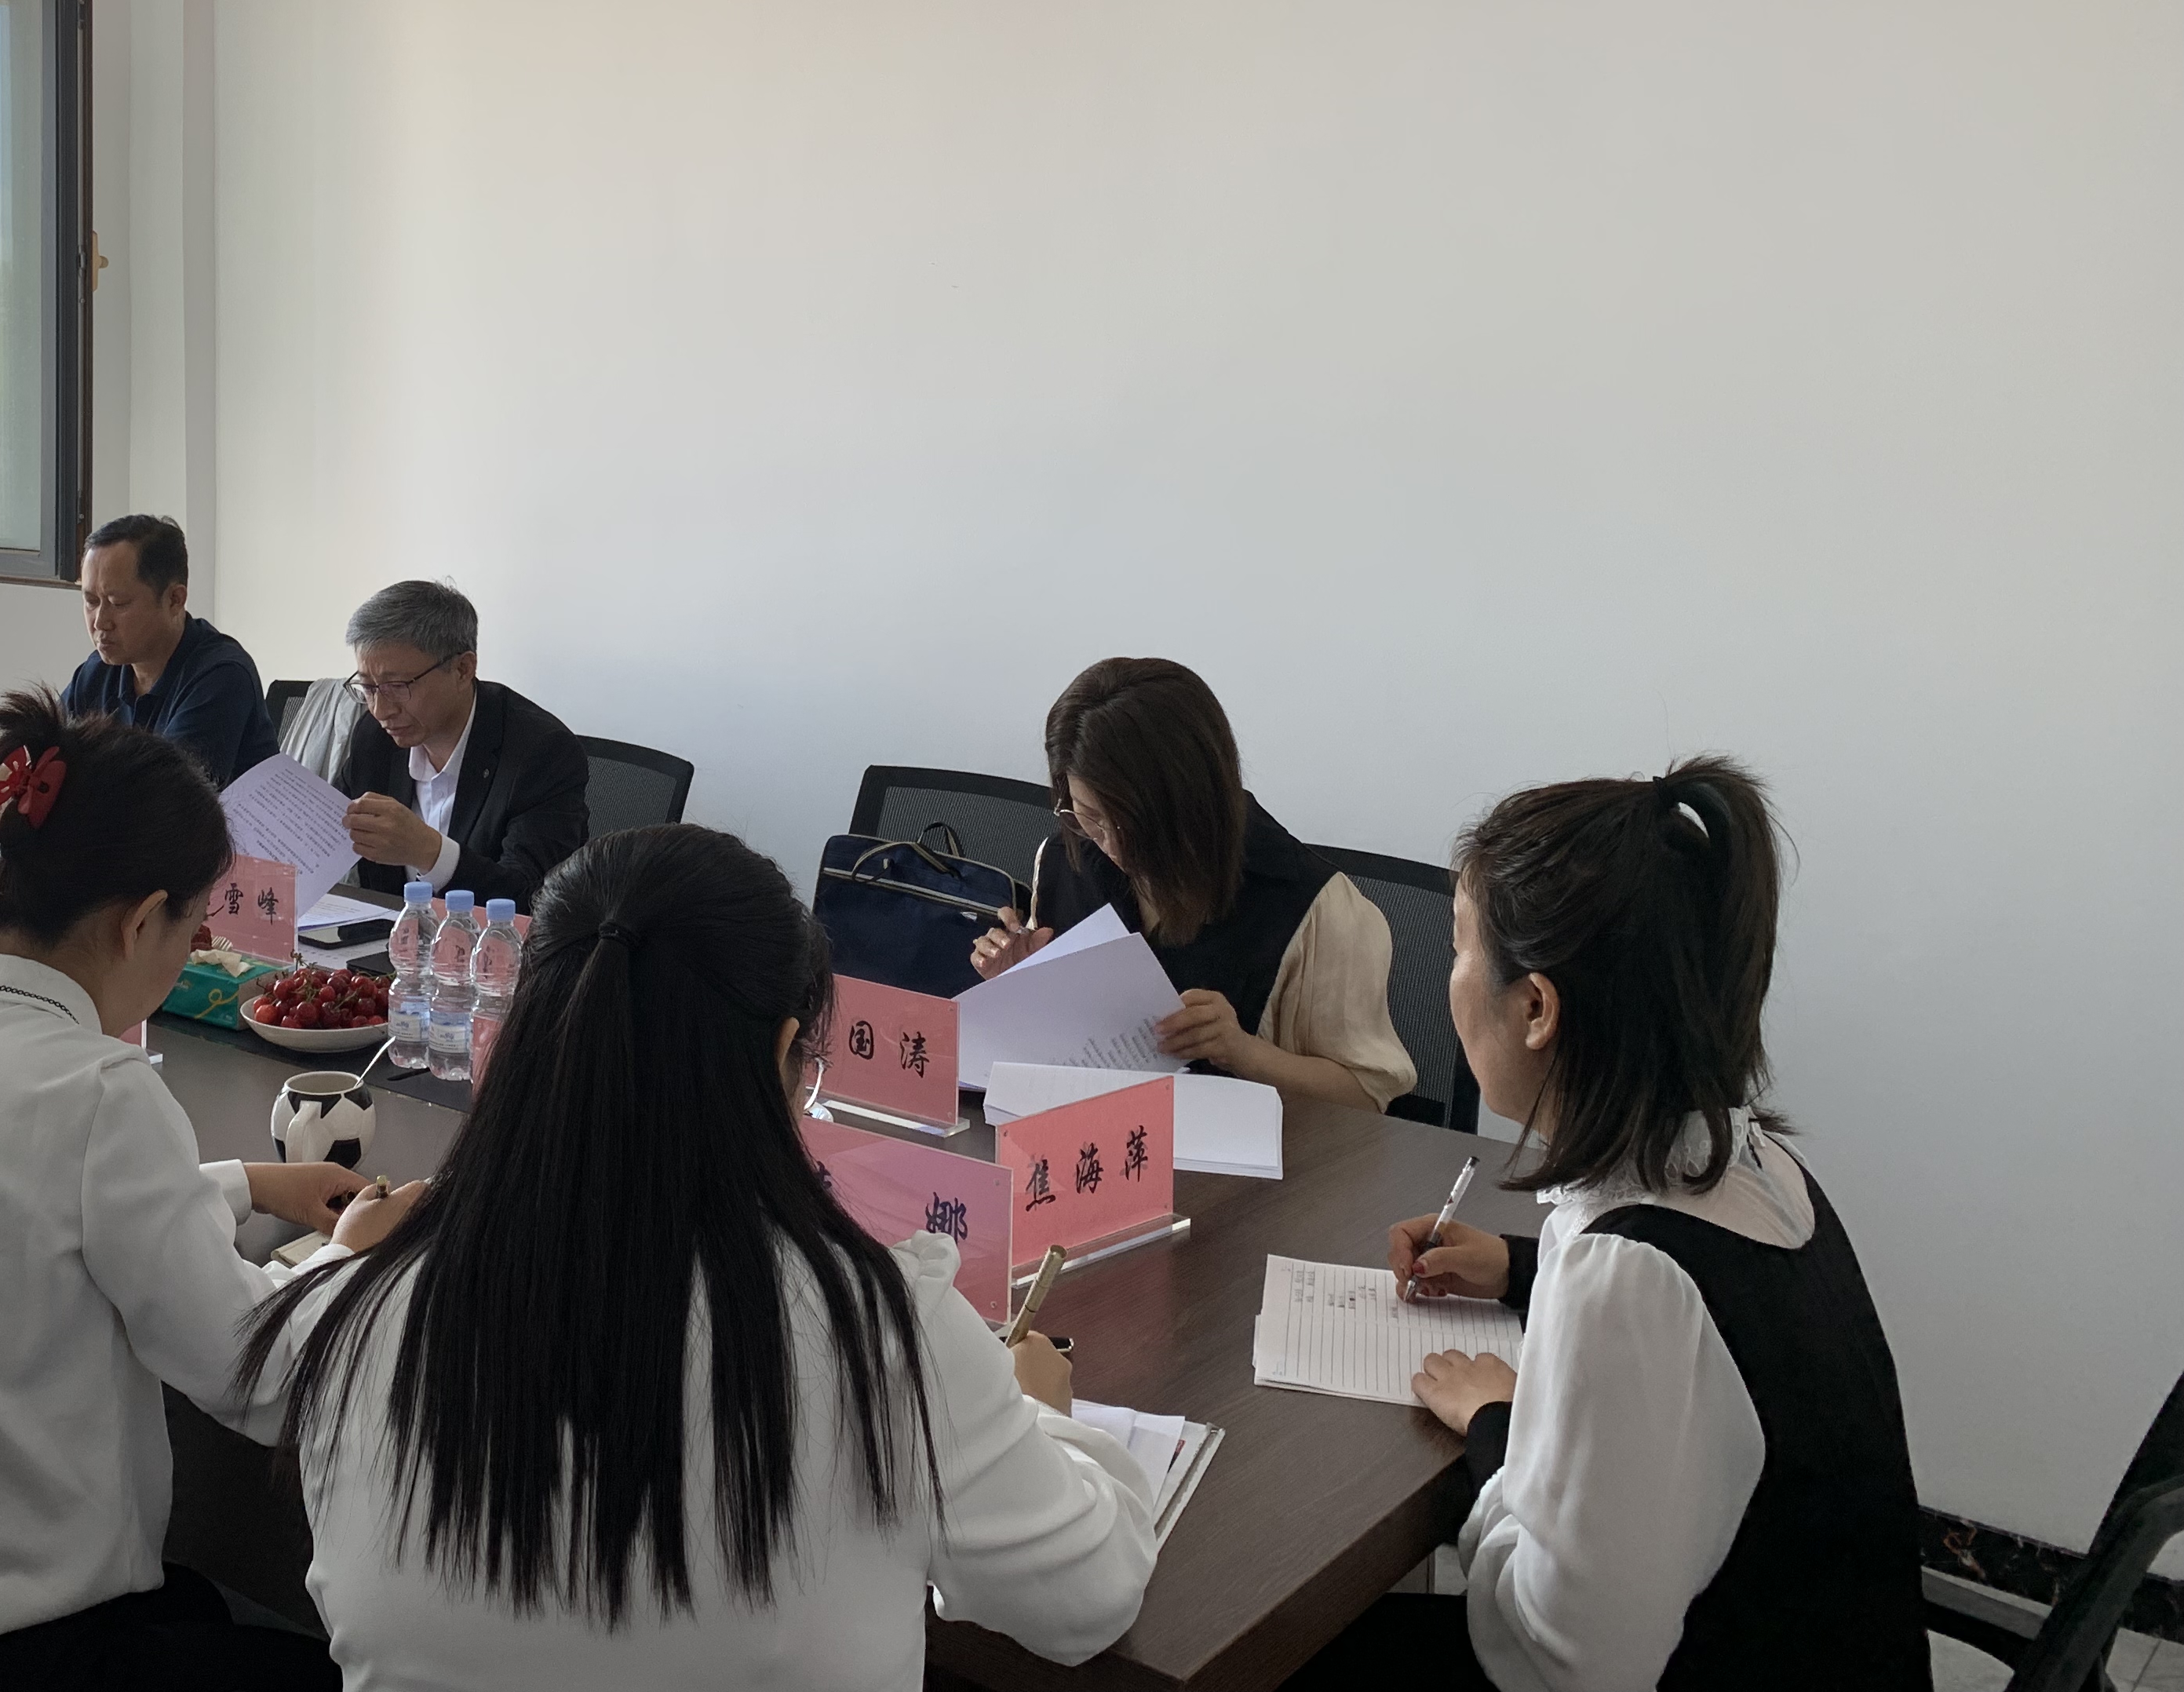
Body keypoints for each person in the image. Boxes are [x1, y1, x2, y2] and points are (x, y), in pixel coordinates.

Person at [237, 823, 1161, 1690]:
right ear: (787, 1050)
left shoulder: (352, 1313)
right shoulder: (883, 1330)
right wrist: (1042, 1413)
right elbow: (1088, 1601)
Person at [0, 693, 385, 1692]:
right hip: (9, 1647)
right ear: (143, 921)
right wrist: (350, 1260)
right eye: (192, 927)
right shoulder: (102, 1093)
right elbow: (260, 1378)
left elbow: (27, 1213)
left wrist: (243, 1184)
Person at [1288, 759, 1926, 1692]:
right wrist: (1517, 1268)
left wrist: (1497, 1423)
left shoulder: (1627, 1277)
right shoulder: (1751, 1165)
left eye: (1460, 949)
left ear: (1536, 1007)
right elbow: (1712, 1329)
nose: (1451, 977)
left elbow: (1559, 1663)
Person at [971, 659, 1413, 1112]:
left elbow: (1366, 1096)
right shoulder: (1069, 858)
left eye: (1134, 825)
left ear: (1194, 804)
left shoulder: (1316, 909)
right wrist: (1016, 984)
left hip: (1249, 1150)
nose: (1115, 849)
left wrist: (1242, 1051)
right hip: (1090, 1136)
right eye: (1091, 818)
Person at [0, 516, 274, 836]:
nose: (100, 622)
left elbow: (158, 810)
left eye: (118, 603)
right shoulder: (101, 670)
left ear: (175, 600)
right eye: (90, 601)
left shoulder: (221, 676)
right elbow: (39, 766)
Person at [334, 581, 587, 902]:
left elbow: (532, 898)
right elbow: (332, 836)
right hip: (388, 930)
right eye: (368, 688)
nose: (381, 710)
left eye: (397, 686)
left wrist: (430, 852)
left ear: (462, 670)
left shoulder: (542, 753)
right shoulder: (375, 737)